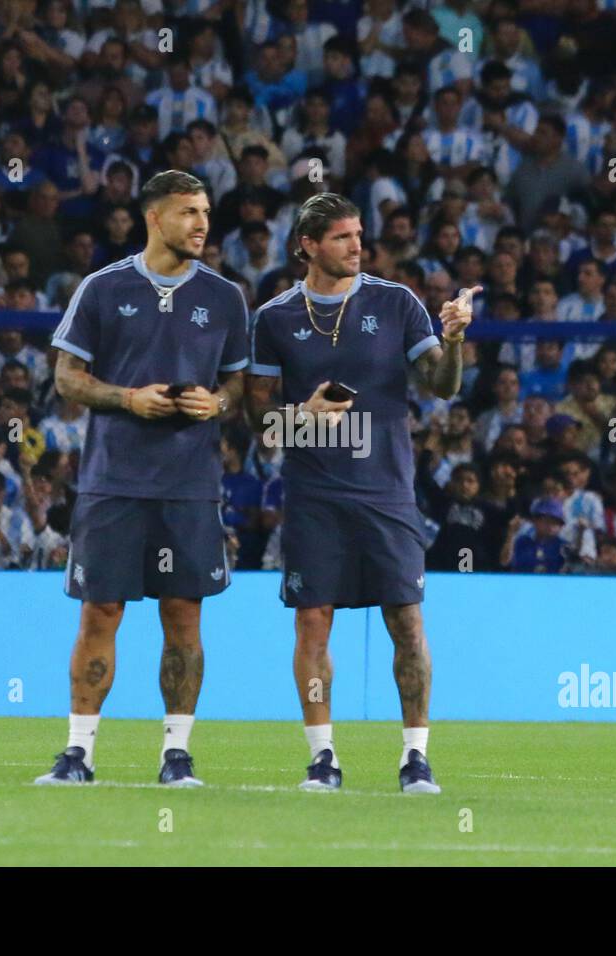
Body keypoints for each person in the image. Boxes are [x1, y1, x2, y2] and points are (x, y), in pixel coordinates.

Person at [247, 191, 479, 794]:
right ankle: (323, 758)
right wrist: (305, 416)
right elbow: (258, 423)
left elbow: (443, 388)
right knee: (313, 625)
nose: (358, 246)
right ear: (308, 246)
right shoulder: (274, 319)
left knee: (406, 621)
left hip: (387, 495)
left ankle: (415, 757)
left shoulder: (396, 303)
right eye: (343, 237)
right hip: (314, 498)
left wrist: (452, 339)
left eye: (359, 235)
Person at [35, 170, 249, 787]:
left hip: (190, 483)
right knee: (101, 612)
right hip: (113, 481)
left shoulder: (225, 296)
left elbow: (239, 386)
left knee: (184, 614)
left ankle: (176, 755)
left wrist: (219, 404)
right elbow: (67, 378)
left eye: (206, 211)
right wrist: (128, 399)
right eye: (188, 212)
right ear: (154, 219)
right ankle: (78, 753)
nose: (202, 223)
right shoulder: (102, 288)